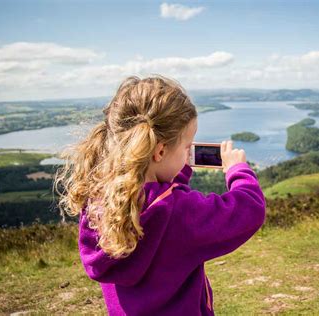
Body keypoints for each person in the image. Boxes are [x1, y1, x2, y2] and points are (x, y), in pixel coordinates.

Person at [53, 75, 266, 315]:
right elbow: (248, 209)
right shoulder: (178, 212)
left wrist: (177, 163)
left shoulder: (101, 200)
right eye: (187, 147)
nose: (188, 154)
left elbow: (153, 191)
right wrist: (238, 170)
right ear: (161, 150)